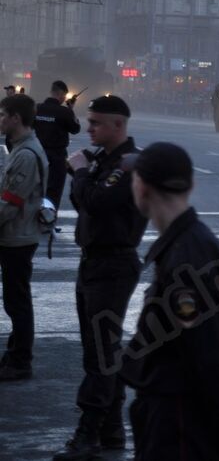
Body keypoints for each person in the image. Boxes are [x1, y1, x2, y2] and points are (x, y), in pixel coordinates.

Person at [120, 143, 219, 461]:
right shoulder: (191, 243)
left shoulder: (186, 255)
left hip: (179, 419)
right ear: (190, 185)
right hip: (177, 411)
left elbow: (209, 355)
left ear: (143, 187)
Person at [54, 95, 144, 460]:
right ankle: (111, 430)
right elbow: (86, 203)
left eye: (95, 123)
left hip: (113, 264)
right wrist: (85, 174)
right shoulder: (103, 161)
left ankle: (88, 433)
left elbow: (95, 202)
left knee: (101, 354)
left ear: (118, 125)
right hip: (94, 262)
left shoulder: (128, 164)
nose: (88, 128)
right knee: (99, 350)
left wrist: (78, 173)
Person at [0, 94, 47, 381]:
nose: (0, 119)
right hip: (16, 233)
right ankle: (15, 352)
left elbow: (9, 203)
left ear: (16, 119)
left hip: (17, 235)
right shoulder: (20, 148)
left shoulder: (26, 155)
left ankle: (21, 360)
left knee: (17, 300)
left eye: (3, 114)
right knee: (15, 298)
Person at [34, 80, 80, 210]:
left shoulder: (37, 108)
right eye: (64, 96)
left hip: (37, 154)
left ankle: (35, 221)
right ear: (61, 94)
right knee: (54, 191)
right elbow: (75, 129)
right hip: (57, 157)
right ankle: (49, 220)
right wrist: (71, 109)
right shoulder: (64, 112)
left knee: (36, 189)